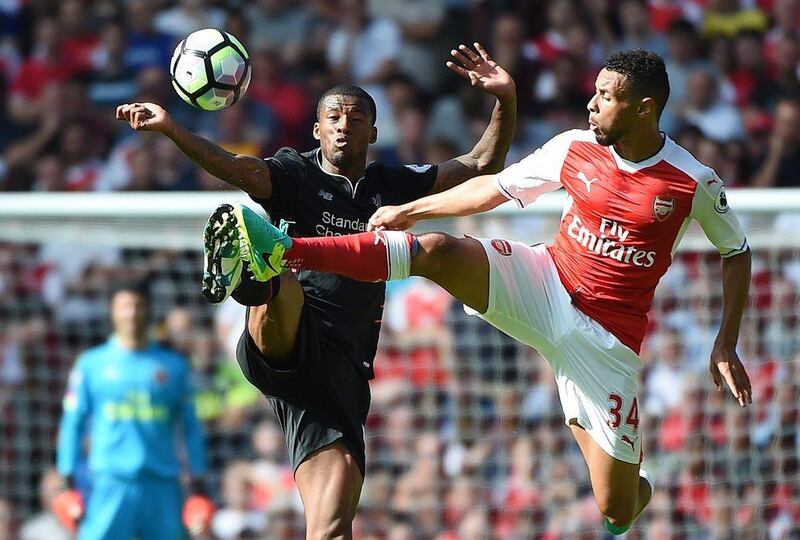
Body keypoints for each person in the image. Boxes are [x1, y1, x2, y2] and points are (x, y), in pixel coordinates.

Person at [217, 49, 753, 535]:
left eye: (606, 98)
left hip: (605, 342)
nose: (591, 105)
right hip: (545, 282)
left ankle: (630, 483)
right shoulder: (574, 148)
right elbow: (491, 186)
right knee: (434, 251)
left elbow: (736, 251)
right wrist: (412, 209)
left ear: (643, 108)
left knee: (617, 507)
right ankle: (287, 250)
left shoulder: (692, 181)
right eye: (593, 92)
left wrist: (725, 341)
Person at [115, 43, 517, 539]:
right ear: (317, 129)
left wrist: (505, 100)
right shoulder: (294, 173)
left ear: (374, 131)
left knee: (331, 527)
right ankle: (256, 268)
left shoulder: (395, 185)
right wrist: (172, 129)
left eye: (355, 117)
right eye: (333, 117)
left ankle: (263, 259)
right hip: (288, 336)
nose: (343, 124)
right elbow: (236, 168)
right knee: (286, 274)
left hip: (341, 371)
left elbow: (481, 165)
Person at [53, 280, 212, 539]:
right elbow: (73, 423)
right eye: (125, 307)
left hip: (162, 483)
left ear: (148, 310)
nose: (132, 313)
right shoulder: (91, 364)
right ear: (113, 312)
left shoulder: (173, 366)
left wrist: (199, 481)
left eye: (138, 306)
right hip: (109, 481)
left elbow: (191, 427)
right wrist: (66, 479)